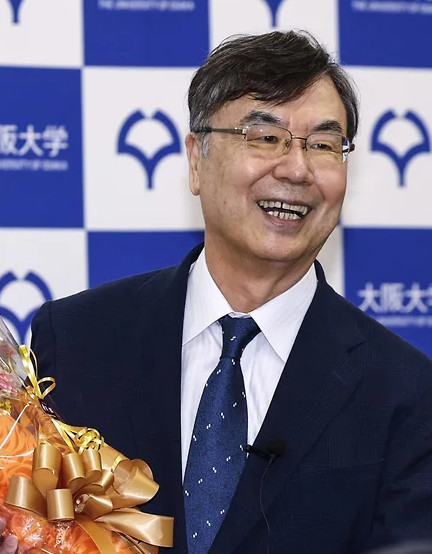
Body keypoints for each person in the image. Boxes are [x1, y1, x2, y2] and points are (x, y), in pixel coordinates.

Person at [18, 30, 432, 554]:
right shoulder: (76, 340)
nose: (297, 168)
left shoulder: (405, 391)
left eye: (324, 144)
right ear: (196, 160)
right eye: (265, 137)